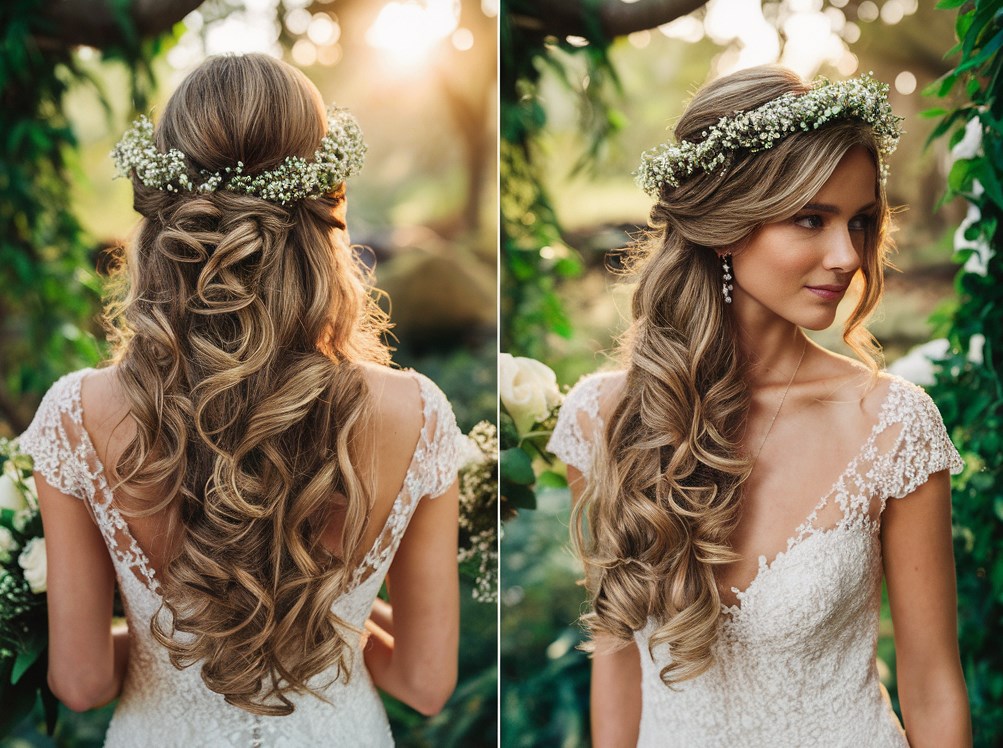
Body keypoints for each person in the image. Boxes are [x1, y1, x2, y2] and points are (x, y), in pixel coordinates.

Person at [17, 53, 464, 746]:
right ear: (330, 197)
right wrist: (334, 625)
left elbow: (81, 684)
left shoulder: (75, 416)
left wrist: (158, 642)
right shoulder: (420, 414)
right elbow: (424, 685)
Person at [548, 65, 972, 747]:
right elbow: (617, 655)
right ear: (723, 224)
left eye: (860, 222)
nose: (846, 256)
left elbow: (931, 686)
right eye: (810, 218)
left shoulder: (891, 424)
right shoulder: (604, 417)